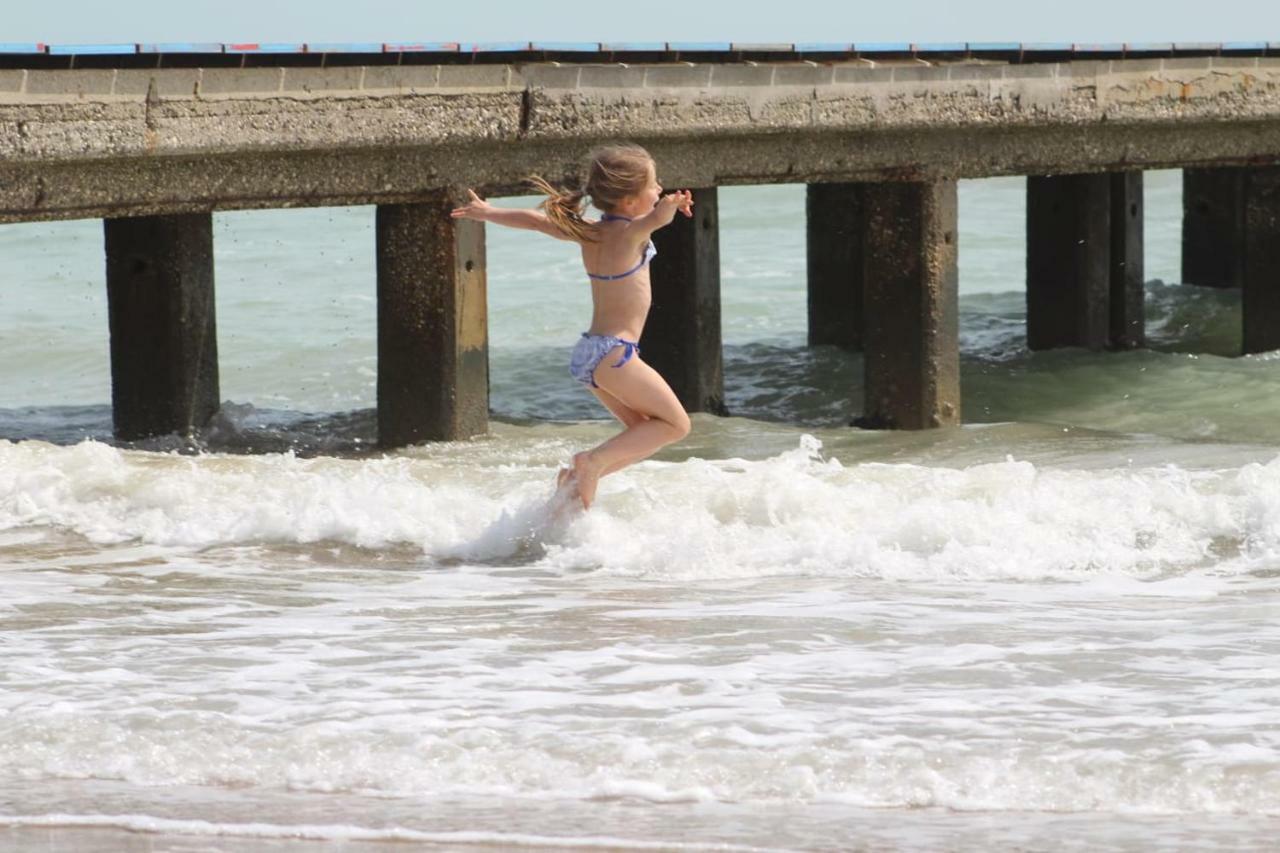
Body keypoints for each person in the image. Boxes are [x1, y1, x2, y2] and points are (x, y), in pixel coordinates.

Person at [450, 143, 694, 509]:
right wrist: (670, 207)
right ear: (628, 200)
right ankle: (589, 463)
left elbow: (535, 221)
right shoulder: (630, 235)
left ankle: (572, 488)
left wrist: (488, 212)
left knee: (645, 431)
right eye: (654, 184)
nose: (658, 189)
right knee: (677, 426)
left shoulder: (590, 232)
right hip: (615, 354)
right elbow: (656, 220)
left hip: (590, 354)